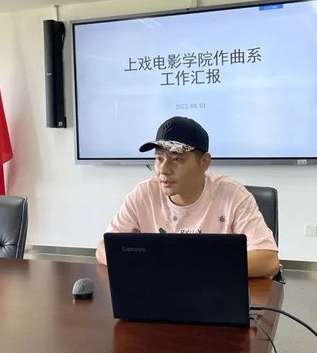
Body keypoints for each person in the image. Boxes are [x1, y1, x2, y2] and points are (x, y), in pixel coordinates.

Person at [95, 116, 279, 277]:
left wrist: (193, 268)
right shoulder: (143, 194)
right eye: (159, 158)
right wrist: (150, 266)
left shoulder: (233, 195)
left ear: (204, 162)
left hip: (213, 292)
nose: (164, 170)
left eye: (176, 159)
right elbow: (104, 249)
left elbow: (268, 259)